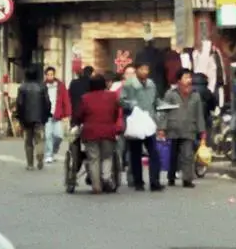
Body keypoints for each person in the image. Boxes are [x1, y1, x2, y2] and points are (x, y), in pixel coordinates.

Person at [75, 73, 124, 194]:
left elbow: (79, 115)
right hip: (108, 131)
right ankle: (106, 177)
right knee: (107, 156)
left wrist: (78, 122)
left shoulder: (85, 98)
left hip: (90, 132)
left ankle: (96, 185)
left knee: (93, 159)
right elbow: (116, 113)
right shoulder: (113, 96)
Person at [158, 72, 208, 187]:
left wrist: (202, 131)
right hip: (173, 128)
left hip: (189, 128)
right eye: (186, 77)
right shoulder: (170, 94)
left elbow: (199, 114)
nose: (189, 80)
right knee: (173, 154)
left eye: (190, 77)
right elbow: (164, 112)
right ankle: (171, 176)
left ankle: (187, 179)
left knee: (187, 155)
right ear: (179, 81)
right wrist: (161, 128)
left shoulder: (195, 95)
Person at [119, 64, 161, 192]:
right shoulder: (129, 84)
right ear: (137, 71)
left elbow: (156, 100)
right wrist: (132, 104)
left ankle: (155, 182)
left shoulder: (151, 84)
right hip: (136, 122)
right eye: (142, 69)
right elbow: (121, 100)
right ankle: (138, 182)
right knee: (135, 153)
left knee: (154, 152)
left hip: (149, 121)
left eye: (147, 69)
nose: (145, 72)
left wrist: (162, 109)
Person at [15, 67, 51, 171]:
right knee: (39, 140)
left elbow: (19, 103)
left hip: (26, 119)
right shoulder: (42, 87)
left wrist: (19, 116)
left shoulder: (22, 88)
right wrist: (47, 114)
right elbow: (47, 103)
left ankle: (30, 164)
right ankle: (40, 158)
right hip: (39, 118)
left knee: (28, 142)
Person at [42, 65, 71, 165]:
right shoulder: (43, 86)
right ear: (45, 76)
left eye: (52, 74)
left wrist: (67, 114)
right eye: (48, 74)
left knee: (59, 136)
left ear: (54, 75)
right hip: (47, 115)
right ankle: (48, 155)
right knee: (48, 135)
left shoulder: (60, 86)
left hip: (57, 114)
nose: (50, 76)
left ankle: (54, 151)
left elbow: (66, 100)